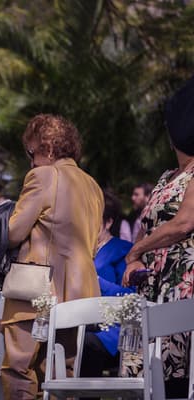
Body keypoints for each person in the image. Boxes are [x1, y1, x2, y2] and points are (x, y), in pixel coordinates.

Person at [1, 114, 104, 399]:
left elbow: (13, 232)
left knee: (19, 369)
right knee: (63, 374)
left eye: (31, 153)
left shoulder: (43, 175)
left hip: (36, 290)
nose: (31, 161)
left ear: (46, 148)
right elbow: (93, 243)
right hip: (80, 293)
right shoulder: (93, 185)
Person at [122, 75, 194, 398]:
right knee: (140, 380)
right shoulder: (167, 177)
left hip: (180, 290)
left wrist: (136, 249)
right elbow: (147, 224)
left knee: (176, 381)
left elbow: (184, 224)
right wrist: (135, 257)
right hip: (150, 287)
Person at [80, 190, 133, 380]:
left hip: (110, 331)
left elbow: (131, 296)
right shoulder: (79, 250)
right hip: (79, 322)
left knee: (85, 344)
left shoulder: (124, 251)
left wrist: (96, 282)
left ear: (108, 222)